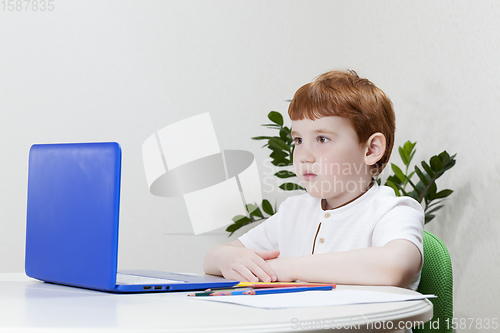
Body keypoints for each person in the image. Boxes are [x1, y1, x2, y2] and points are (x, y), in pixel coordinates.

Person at [203, 69, 424, 290]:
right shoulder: (294, 211)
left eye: (322, 138)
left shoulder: (393, 211)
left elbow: (396, 265)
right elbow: (212, 257)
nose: (304, 155)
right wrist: (228, 260)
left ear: (371, 149)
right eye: (298, 140)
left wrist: (288, 268)